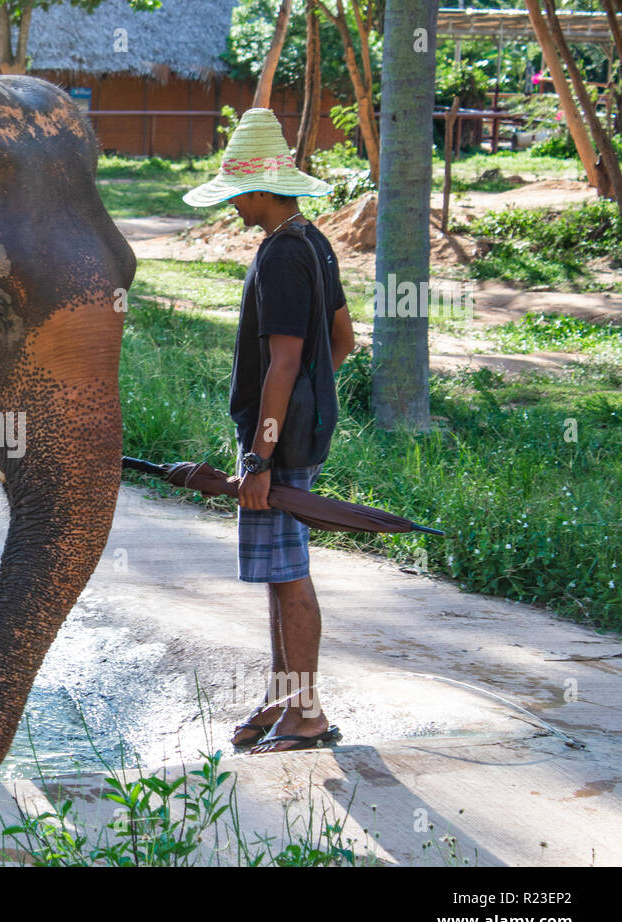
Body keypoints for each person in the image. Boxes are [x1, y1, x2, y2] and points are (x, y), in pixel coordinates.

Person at [183, 108, 356, 754]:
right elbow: (341, 342)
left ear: (261, 189)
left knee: (289, 575)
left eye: (236, 193)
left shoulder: (283, 255)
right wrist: (306, 399)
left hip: (275, 447)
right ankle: (283, 696)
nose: (232, 204)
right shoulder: (312, 240)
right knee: (279, 570)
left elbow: (285, 360)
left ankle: (307, 713)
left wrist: (260, 456)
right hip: (290, 436)